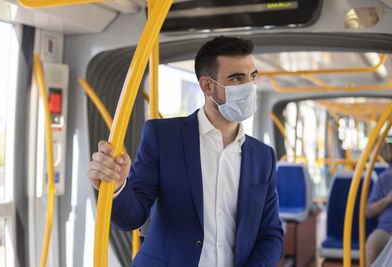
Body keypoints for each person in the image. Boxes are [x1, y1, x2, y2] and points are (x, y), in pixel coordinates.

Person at [87, 36, 284, 267]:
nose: (248, 87)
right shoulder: (163, 137)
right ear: (207, 86)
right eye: (236, 78)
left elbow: (271, 235)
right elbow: (132, 217)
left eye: (252, 77)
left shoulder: (263, 157)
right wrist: (118, 187)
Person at [365, 168, 392, 266]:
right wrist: (388, 199)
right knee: (370, 250)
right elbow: (368, 212)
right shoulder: (384, 179)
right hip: (385, 230)